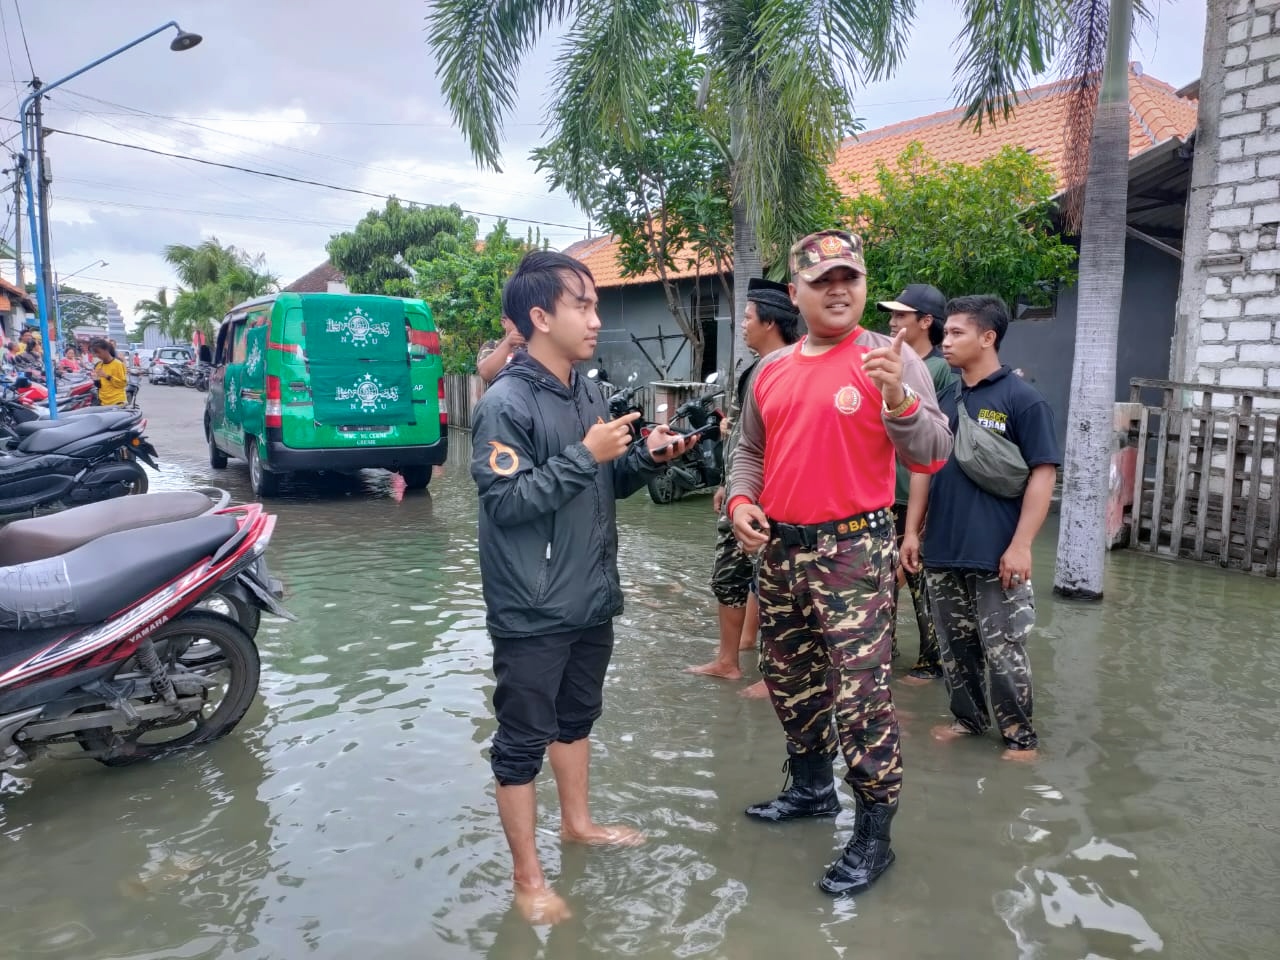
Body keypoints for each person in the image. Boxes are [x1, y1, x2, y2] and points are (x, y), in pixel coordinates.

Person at [470, 251, 695, 926]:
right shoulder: (504, 403)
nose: (596, 320)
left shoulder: (588, 391)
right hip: (532, 605)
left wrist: (641, 462)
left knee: (576, 719)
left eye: (595, 305)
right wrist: (585, 456)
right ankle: (527, 877)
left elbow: (605, 483)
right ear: (540, 317)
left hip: (590, 595)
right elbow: (506, 504)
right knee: (519, 741)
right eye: (583, 306)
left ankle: (578, 824)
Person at [727, 229, 952, 896]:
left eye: (848, 279)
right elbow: (748, 453)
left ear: (861, 286)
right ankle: (810, 791)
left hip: (854, 550)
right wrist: (741, 502)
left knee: (861, 699)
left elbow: (933, 454)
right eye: (822, 281)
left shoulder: (892, 358)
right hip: (781, 552)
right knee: (788, 679)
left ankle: (874, 837)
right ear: (795, 293)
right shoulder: (770, 370)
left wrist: (900, 402)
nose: (838, 290)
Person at [900, 295, 1059, 761]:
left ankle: (1020, 737)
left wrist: (1022, 545)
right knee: (955, 646)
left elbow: (1043, 474)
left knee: (1004, 649)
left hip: (997, 551)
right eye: (944, 333)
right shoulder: (944, 397)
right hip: (943, 547)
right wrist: (913, 532)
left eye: (956, 333)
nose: (945, 341)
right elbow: (925, 466)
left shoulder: (1022, 400)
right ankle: (968, 720)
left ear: (987, 338)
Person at [688, 277, 800, 689]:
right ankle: (730, 659)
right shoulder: (752, 369)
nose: (743, 325)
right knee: (732, 576)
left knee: (773, 582)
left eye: (749, 317)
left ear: (770, 322)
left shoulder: (795, 368)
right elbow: (743, 439)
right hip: (741, 494)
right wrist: (726, 482)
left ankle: (774, 673)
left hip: (774, 500)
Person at [876, 284, 958, 684]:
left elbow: (935, 440)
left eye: (901, 316)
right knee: (880, 578)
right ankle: (882, 650)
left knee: (919, 577)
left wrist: (917, 523)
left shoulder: (939, 369)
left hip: (917, 493)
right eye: (891, 315)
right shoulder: (888, 360)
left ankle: (932, 659)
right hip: (884, 491)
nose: (892, 322)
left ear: (926, 322)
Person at [476, 315, 527, 385]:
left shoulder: (535, 346)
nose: (521, 324)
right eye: (515, 320)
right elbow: (485, 373)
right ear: (503, 323)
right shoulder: (492, 345)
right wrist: (508, 343)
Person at [89, 338, 128, 406]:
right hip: (103, 402)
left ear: (106, 350)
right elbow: (99, 386)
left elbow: (122, 384)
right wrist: (95, 379)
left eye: (99, 352)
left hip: (117, 402)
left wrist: (107, 376)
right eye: (95, 353)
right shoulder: (98, 365)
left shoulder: (118, 364)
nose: (97, 355)